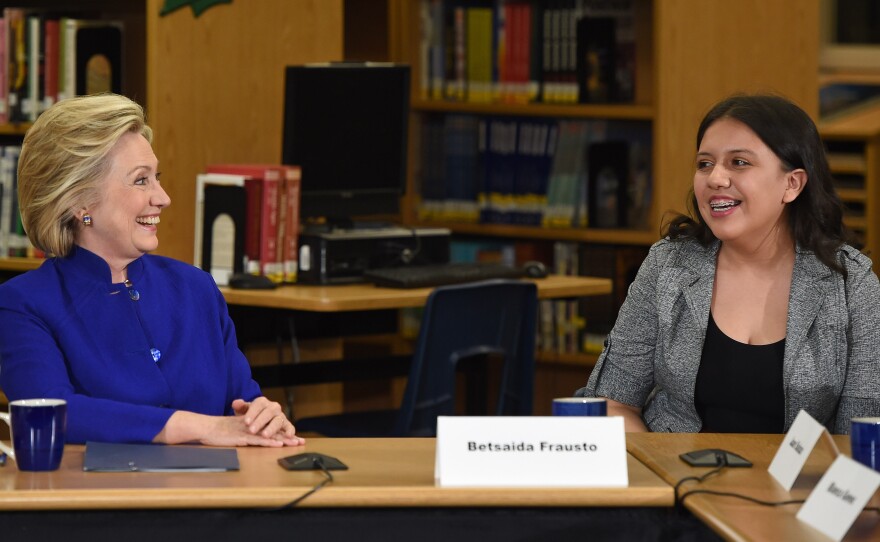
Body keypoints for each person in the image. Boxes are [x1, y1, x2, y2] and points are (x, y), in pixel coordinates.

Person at [0, 93, 305, 447]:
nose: (163, 197)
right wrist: (198, 427)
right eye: (141, 180)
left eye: (156, 177)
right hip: (102, 498)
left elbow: (242, 402)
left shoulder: (196, 288)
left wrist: (263, 416)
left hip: (216, 495)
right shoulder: (21, 304)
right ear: (78, 200)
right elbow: (50, 412)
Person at [579, 94, 880, 434]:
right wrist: (665, 480)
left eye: (739, 163)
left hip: (798, 486)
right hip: (679, 479)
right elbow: (613, 404)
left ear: (792, 184)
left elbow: (863, 434)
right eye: (705, 164)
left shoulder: (851, 284)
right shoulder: (668, 265)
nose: (715, 178)